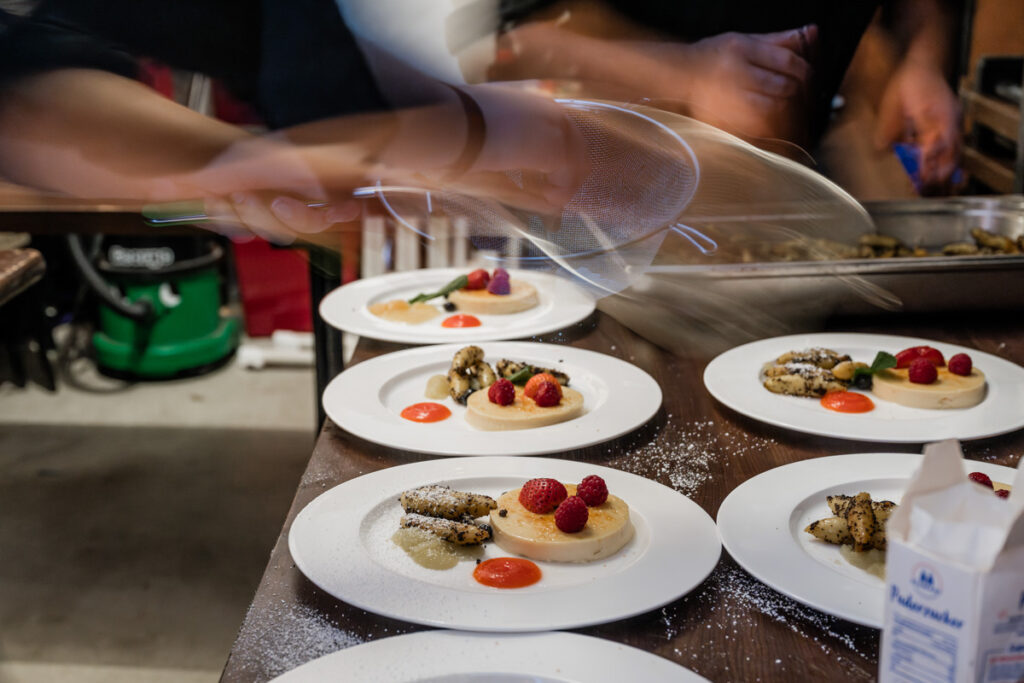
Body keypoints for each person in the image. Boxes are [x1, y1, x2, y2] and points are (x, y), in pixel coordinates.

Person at [487, 0, 961, 191]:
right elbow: (511, 50)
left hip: (790, 209)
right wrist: (686, 74)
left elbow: (919, 10)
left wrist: (919, 65)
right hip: (598, 221)